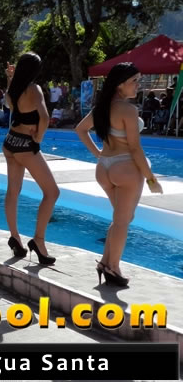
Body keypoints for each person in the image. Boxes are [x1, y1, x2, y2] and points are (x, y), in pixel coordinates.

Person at [76, 62, 163, 287]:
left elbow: (80, 130)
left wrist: (98, 154)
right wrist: (151, 178)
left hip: (104, 168)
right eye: (134, 81)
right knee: (122, 221)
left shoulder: (102, 107)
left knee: (121, 218)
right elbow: (135, 149)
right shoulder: (128, 110)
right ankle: (113, 267)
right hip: (125, 169)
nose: (138, 85)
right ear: (119, 84)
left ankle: (105, 262)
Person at [2, 53, 59, 264]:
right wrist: (38, 138)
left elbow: (11, 105)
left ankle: (15, 237)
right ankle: (38, 241)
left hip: (10, 142)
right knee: (52, 192)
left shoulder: (13, 88)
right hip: (26, 144)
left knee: (13, 191)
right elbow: (44, 117)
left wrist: (10, 78)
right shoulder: (34, 89)